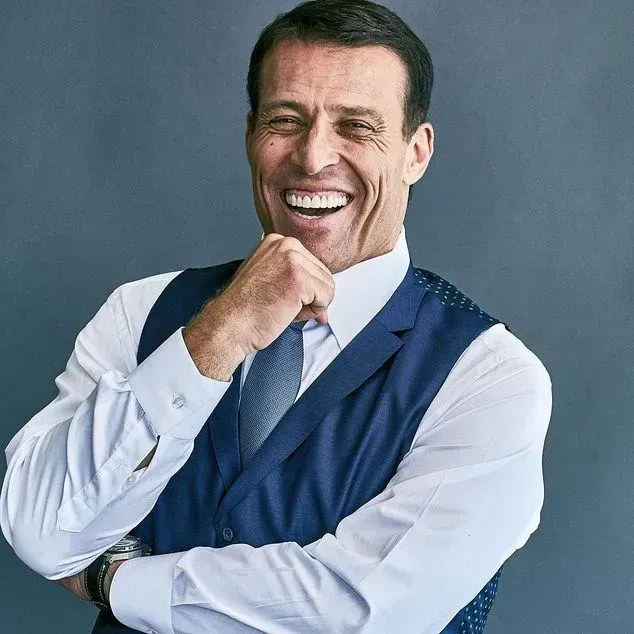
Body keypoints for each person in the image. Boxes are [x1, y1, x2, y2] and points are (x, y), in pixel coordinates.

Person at [0, 1, 552, 632]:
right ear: (250, 138)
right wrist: (216, 336)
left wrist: (113, 580)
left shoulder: (489, 376)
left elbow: (357, 612)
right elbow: (40, 531)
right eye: (285, 121)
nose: (313, 158)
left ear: (415, 153)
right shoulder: (142, 310)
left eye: (356, 127)